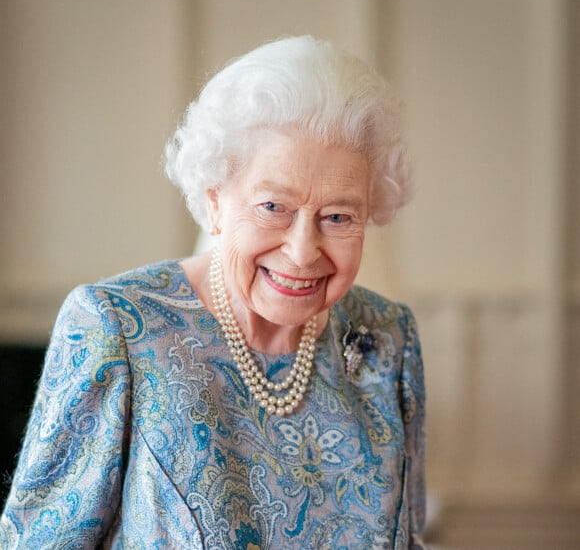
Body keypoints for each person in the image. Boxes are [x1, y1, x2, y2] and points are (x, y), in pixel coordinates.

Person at [0, 36, 426, 549]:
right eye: (274, 206)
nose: (303, 250)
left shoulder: (384, 336)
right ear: (215, 199)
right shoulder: (119, 328)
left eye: (338, 217)